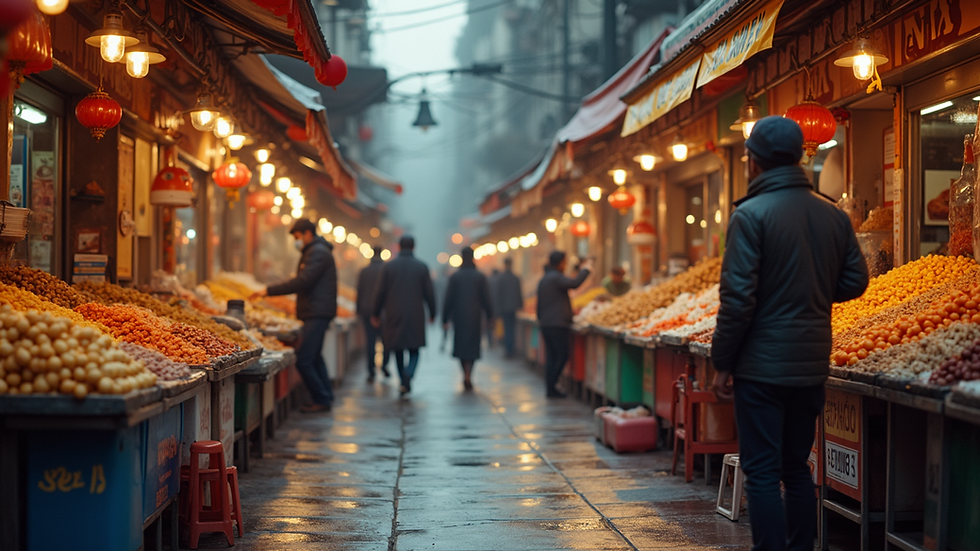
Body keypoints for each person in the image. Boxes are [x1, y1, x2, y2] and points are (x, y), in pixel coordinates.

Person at [710, 116, 869, 551]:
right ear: (800, 157)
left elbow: (738, 301)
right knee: (797, 467)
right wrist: (813, 289)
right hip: (811, 363)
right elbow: (856, 281)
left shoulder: (750, 216)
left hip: (760, 368)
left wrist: (722, 363)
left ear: (755, 163)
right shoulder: (832, 215)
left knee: (762, 470)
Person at [252, 219, 339, 413]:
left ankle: (322, 398)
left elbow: (303, 281)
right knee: (315, 357)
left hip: (317, 312)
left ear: (308, 233)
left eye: (297, 237)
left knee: (305, 359)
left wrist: (269, 290)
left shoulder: (317, 252)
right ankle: (325, 395)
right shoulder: (315, 251)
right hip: (317, 311)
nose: (296, 242)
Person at [371, 235, 437, 397]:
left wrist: (375, 313)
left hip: (394, 313)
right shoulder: (422, 267)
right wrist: (433, 312)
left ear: (399, 247)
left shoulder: (389, 267)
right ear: (414, 247)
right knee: (414, 349)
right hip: (416, 313)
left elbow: (379, 292)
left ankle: (403, 380)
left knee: (397, 348)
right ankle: (408, 375)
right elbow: (429, 292)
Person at [536, 252, 592, 398]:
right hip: (557, 324)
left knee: (552, 357)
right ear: (560, 263)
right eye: (564, 262)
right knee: (562, 355)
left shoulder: (545, 278)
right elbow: (574, 284)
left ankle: (550, 389)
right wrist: (586, 269)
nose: (565, 265)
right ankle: (552, 385)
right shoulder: (555, 277)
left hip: (547, 323)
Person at [442, 247, 493, 391]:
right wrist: (490, 315)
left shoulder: (455, 277)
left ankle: (465, 373)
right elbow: (486, 298)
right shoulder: (480, 277)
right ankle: (470, 373)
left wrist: (445, 318)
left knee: (461, 347)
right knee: (473, 346)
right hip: (475, 316)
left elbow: (448, 299)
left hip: (459, 317)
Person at [356, 245, 390, 383]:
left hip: (367, 311)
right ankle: (385, 365)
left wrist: (358, 310)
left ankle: (371, 370)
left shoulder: (364, 271)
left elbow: (360, 291)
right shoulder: (387, 270)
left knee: (370, 342)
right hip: (384, 312)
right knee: (386, 341)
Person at [495, 258, 524, 357]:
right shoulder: (516, 278)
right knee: (512, 329)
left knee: (507, 329)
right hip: (513, 307)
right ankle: (511, 349)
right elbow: (519, 293)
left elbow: (498, 294)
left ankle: (508, 349)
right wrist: (520, 305)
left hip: (504, 307)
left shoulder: (501, 278)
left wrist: (497, 309)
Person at [486, 268, 501, 347]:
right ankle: (497, 340)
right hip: (498, 307)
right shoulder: (500, 281)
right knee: (497, 325)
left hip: (490, 305)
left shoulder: (488, 280)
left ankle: (490, 341)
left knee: (489, 324)